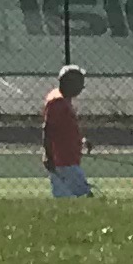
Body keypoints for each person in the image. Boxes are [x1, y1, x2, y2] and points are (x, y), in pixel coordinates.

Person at [41, 64, 91, 198]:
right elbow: (48, 129)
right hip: (64, 161)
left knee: (65, 198)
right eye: (80, 83)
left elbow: (65, 128)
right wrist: (48, 155)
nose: (82, 87)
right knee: (84, 197)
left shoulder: (64, 99)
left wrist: (80, 141)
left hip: (67, 159)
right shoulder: (57, 102)